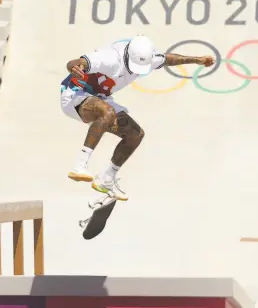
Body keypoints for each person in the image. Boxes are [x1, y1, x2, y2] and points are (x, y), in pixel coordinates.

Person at [60, 35, 215, 200]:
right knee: (108, 112)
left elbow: (168, 59)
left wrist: (197, 60)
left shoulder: (149, 58)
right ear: (127, 56)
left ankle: (106, 179)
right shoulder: (110, 58)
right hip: (75, 95)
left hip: (101, 98)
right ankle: (79, 166)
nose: (135, 72)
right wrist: (75, 67)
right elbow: (75, 63)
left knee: (135, 134)